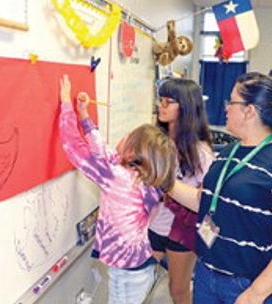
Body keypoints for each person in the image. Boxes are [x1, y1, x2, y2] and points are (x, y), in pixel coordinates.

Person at [168, 72, 272, 303]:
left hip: (249, 284)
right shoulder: (227, 154)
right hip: (207, 274)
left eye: (231, 102)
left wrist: (256, 294)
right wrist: (165, 183)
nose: (226, 108)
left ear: (249, 111)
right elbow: (202, 200)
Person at [58, 75, 177, 304]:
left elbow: (74, 146)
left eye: (128, 137)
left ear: (132, 153)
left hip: (126, 272)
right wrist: (83, 115)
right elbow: (105, 152)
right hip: (138, 264)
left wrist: (65, 104)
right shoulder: (142, 178)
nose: (121, 137)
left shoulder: (119, 178)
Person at [148, 78, 214, 304]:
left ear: (185, 107)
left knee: (178, 289)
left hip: (183, 231)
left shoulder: (200, 152)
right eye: (161, 100)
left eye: (169, 101)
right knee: (139, 277)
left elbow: (206, 199)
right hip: (153, 224)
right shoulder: (157, 142)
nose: (161, 106)